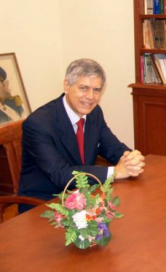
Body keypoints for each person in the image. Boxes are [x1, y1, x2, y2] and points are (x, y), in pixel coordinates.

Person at [18, 59, 145, 211]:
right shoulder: (39, 123)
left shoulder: (94, 113)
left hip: (83, 198)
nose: (91, 97)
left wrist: (130, 157)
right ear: (67, 85)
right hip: (44, 205)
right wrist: (115, 172)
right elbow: (61, 175)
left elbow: (112, 147)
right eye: (84, 88)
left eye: (96, 90)